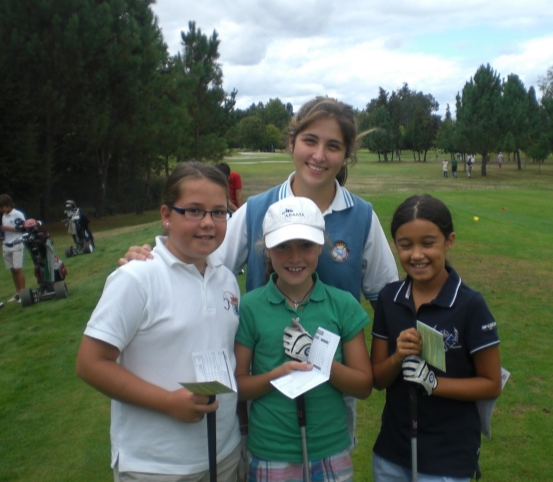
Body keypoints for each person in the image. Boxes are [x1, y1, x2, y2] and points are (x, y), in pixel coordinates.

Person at [121, 96, 399, 448]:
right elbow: (201, 260)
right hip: (266, 389)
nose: (319, 155)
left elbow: (388, 299)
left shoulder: (361, 216)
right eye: (310, 141)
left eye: (333, 146)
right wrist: (154, 258)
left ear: (346, 155)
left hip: (333, 393)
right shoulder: (256, 210)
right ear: (292, 142)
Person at [76, 162, 242, 481]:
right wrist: (167, 402)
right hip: (157, 466)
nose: (208, 223)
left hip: (224, 454)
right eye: (194, 211)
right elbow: (90, 363)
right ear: (167, 215)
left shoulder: (226, 279)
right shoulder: (137, 277)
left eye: (219, 212)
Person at [235, 196, 373, 481]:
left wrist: (316, 358)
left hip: (330, 446)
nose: (294, 257)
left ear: (321, 246)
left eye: (306, 246)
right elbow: (239, 385)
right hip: (271, 448)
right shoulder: (250, 307)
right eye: (282, 246)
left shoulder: (342, 304)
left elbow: (363, 385)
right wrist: (278, 374)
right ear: (266, 248)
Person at [370, 194, 502, 481]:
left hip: (448, 458)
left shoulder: (470, 305)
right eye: (406, 245)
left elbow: (491, 384)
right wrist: (397, 357)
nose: (417, 255)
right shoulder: (389, 299)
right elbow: (377, 379)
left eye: (428, 243)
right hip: (392, 453)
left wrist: (434, 383)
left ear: (449, 241)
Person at [0, 194, 26, 302]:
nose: (0, 210)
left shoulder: (18, 214)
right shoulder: (4, 216)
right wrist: (0, 231)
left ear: (8, 205)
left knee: (18, 269)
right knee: (12, 270)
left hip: (16, 244)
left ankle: (23, 293)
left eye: (2, 207)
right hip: (6, 245)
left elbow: (23, 228)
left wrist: (8, 228)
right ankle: (17, 292)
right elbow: (4, 229)